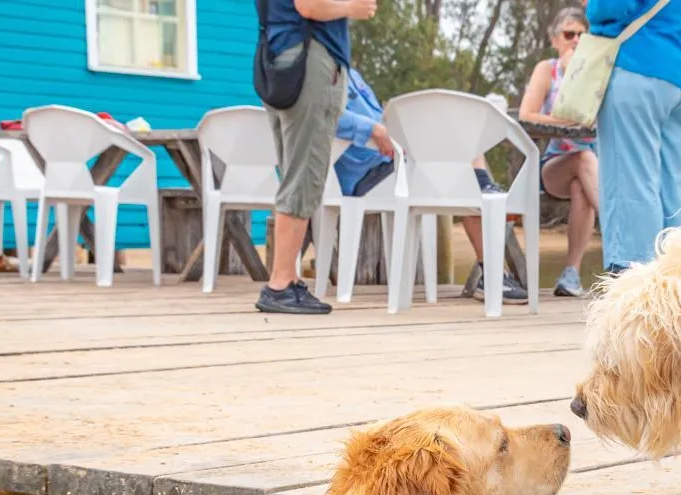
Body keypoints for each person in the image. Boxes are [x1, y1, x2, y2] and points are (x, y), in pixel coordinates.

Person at [329, 66, 530, 304]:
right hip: (366, 173)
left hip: (394, 162)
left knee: (461, 140)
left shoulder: (351, 73)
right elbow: (319, 112)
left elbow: (380, 118)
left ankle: (484, 198)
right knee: (461, 160)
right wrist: (373, 130)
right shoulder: (317, 66)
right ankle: (492, 267)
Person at [257, 0, 377, 315]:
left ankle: (286, 278)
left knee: (294, 171)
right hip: (310, 59)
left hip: (280, 57)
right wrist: (352, 8)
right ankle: (281, 283)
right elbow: (310, 6)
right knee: (304, 174)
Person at [586, 0, 681, 274]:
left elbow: (611, 6)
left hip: (640, 61)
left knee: (630, 176)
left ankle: (632, 273)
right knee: (675, 183)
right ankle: (679, 272)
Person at [518, 6, 600, 297]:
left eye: (582, 35)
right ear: (555, 40)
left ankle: (571, 274)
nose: (576, 40)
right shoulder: (547, 69)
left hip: (594, 170)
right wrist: (564, 117)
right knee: (584, 159)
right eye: (569, 34)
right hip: (556, 164)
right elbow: (527, 115)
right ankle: (616, 230)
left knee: (582, 186)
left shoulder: (599, 72)